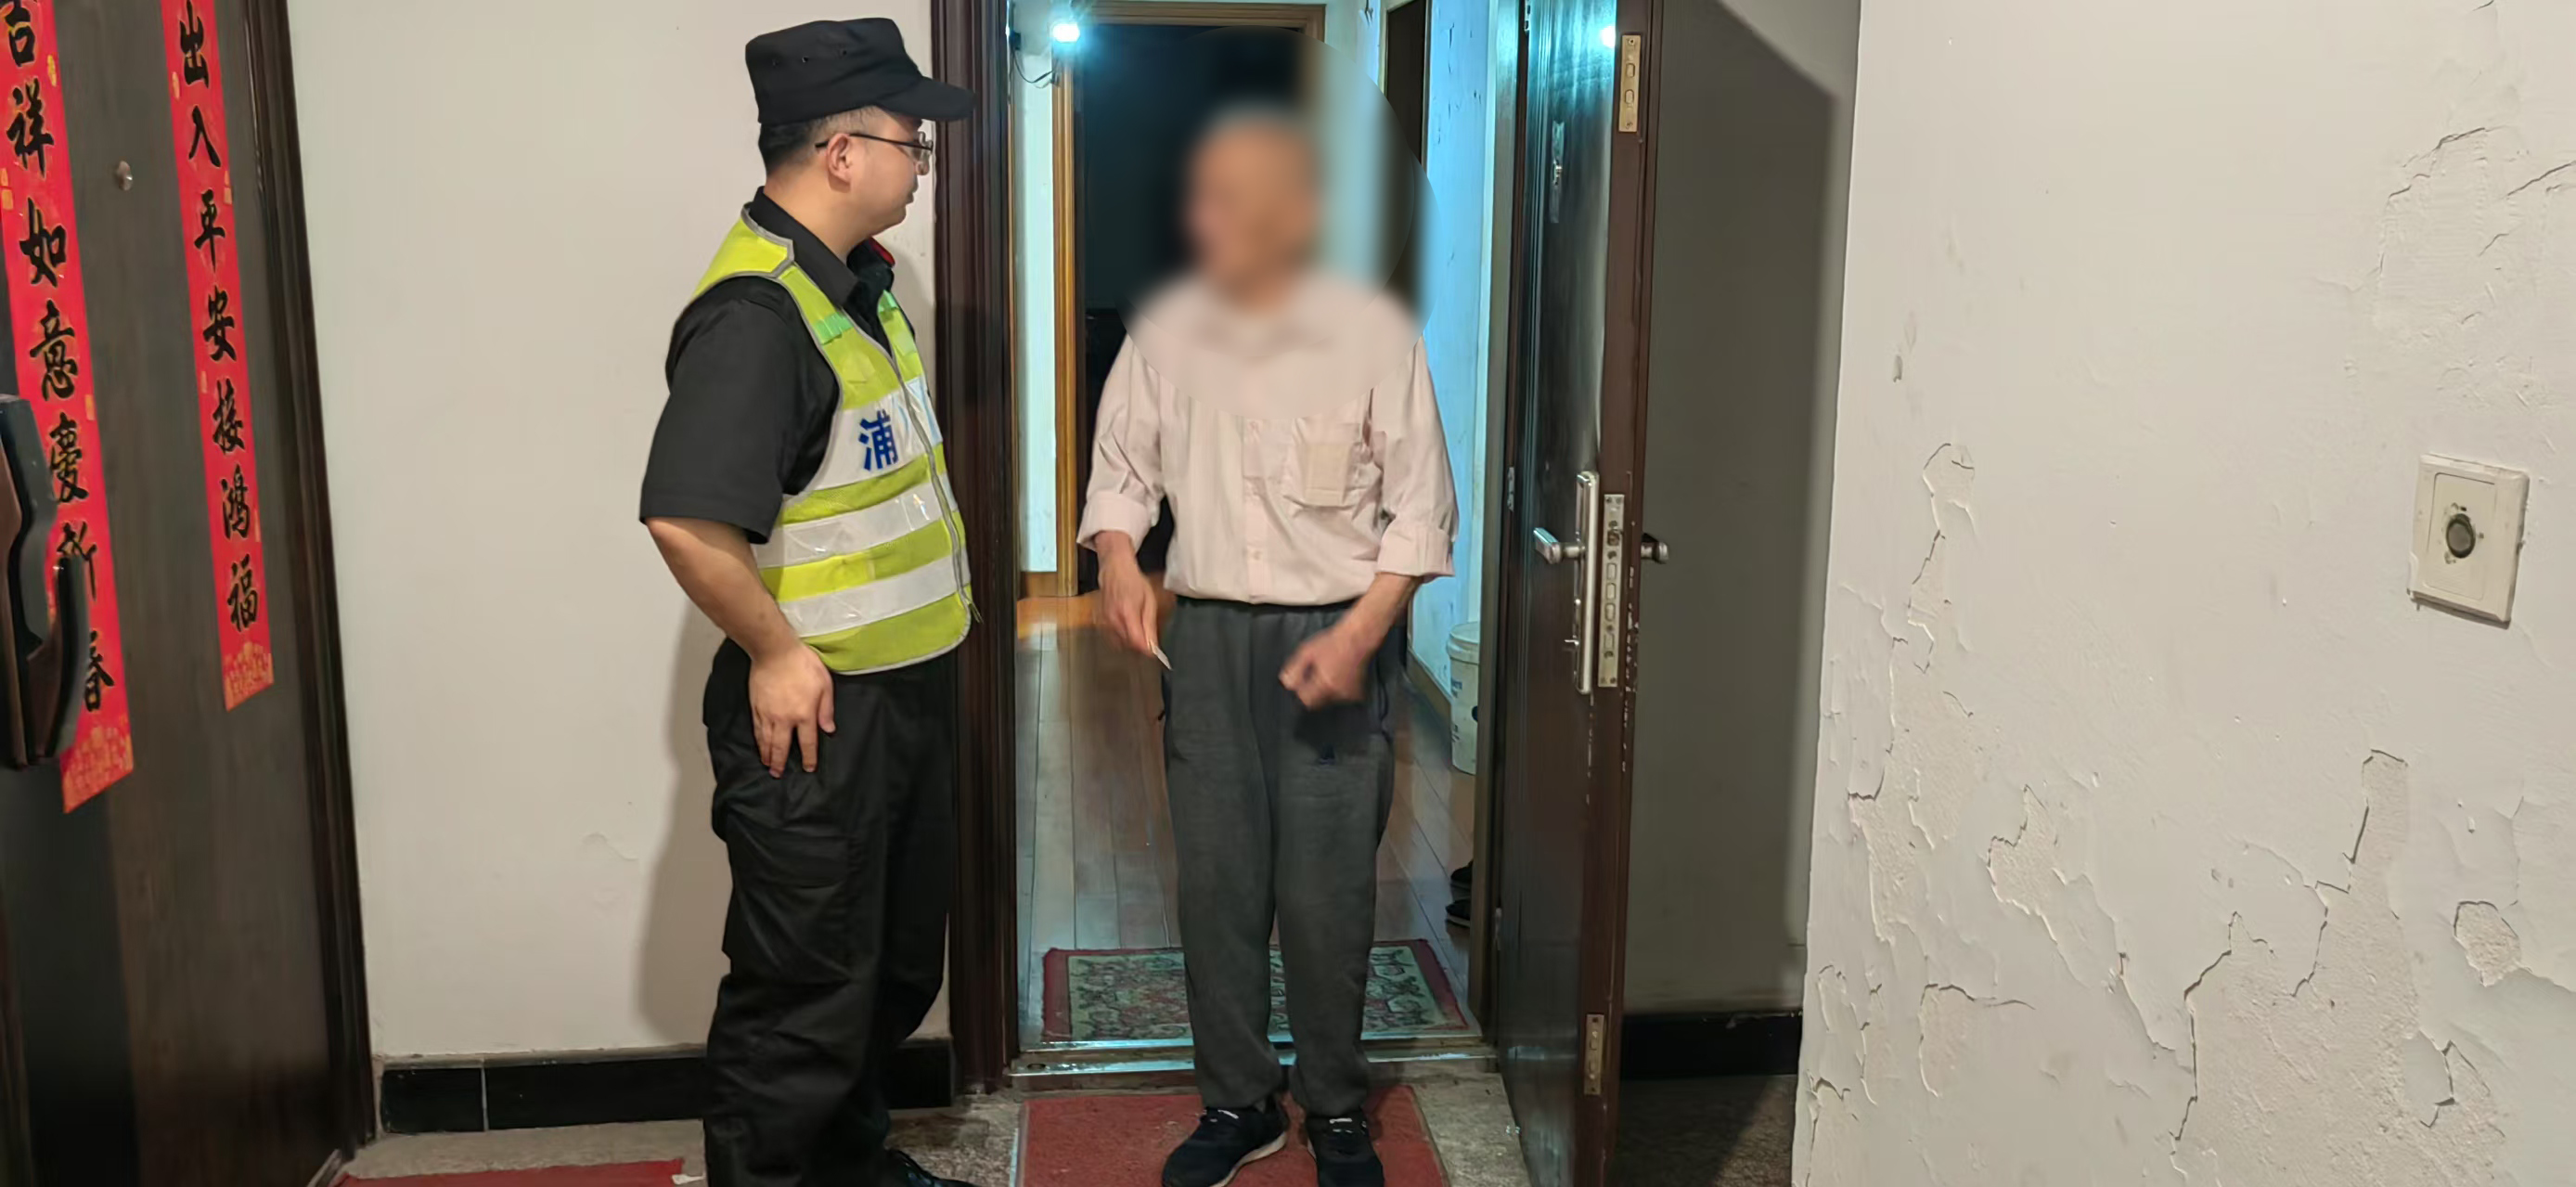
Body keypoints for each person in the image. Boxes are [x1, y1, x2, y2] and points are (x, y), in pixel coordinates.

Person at [1077, 109, 1457, 1187]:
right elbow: (1122, 472)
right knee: (1218, 883)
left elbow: (1421, 510)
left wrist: (1361, 634)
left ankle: (1334, 1104)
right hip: (1207, 640)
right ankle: (1237, 1098)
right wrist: (1118, 560)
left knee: (1328, 888)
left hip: (1338, 634)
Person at [638, 19, 978, 1187]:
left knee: (888, 969)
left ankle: (852, 1166)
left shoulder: (859, 289)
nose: (920, 165)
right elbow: (686, 518)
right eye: (911, 143)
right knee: (803, 1002)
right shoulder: (757, 314)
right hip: (820, 714)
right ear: (841, 153)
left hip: (900, 697)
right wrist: (777, 652)